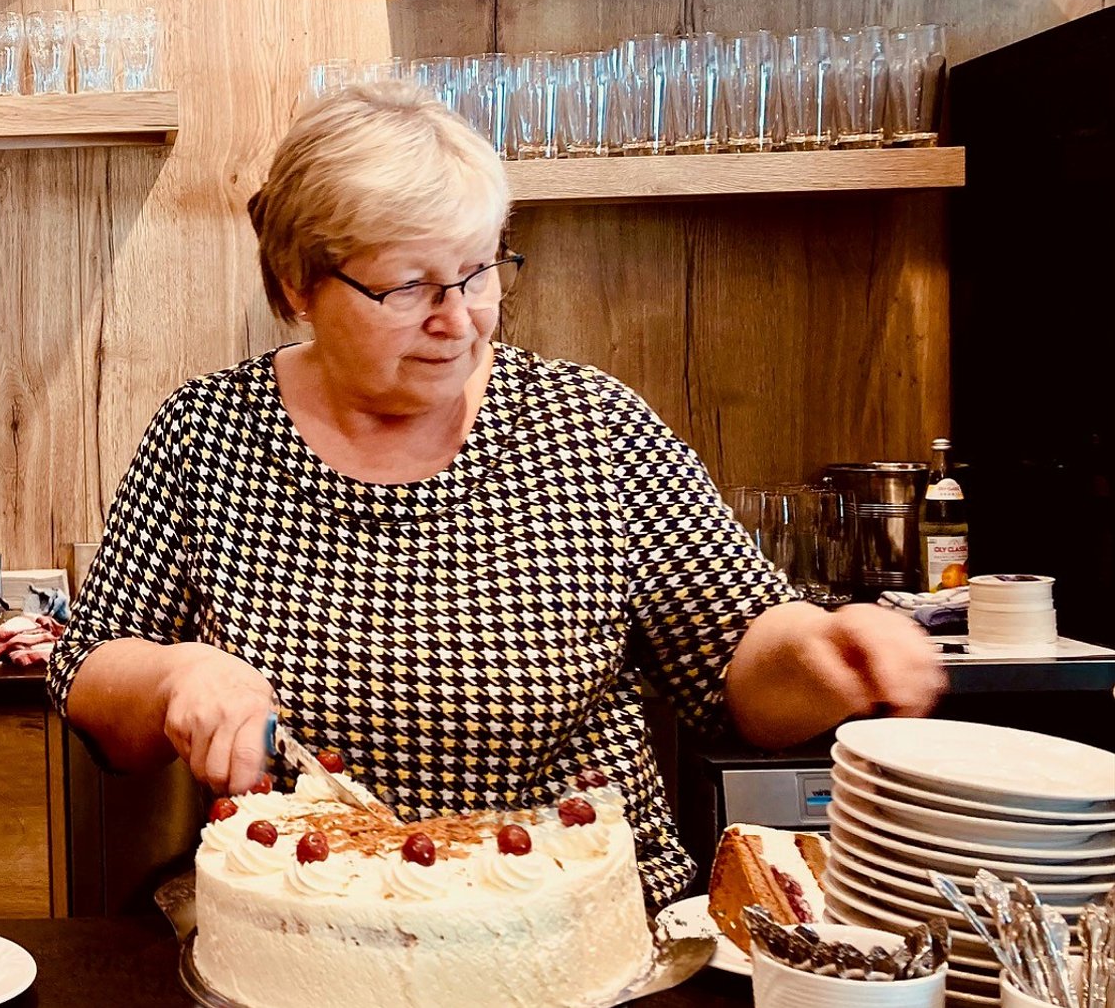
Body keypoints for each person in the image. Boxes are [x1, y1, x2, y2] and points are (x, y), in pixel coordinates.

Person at [47, 81, 947, 902]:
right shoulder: (211, 432)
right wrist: (179, 671)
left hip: (583, 930)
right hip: (317, 924)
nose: (461, 317)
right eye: (409, 286)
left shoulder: (588, 424)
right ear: (299, 285)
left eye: (481, 269)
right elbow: (88, 673)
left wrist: (825, 652)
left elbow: (736, 656)